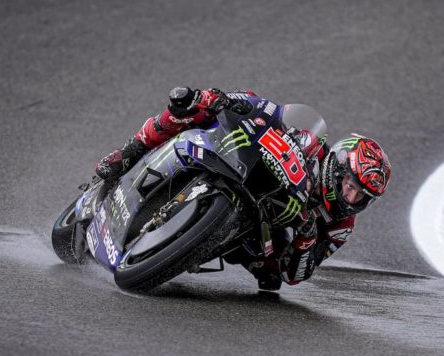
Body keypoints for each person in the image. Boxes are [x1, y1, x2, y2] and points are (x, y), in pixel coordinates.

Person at [96, 87, 392, 290]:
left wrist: (305, 240)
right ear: (338, 166)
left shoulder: (341, 225)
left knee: (271, 278)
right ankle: (129, 152)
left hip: (261, 231)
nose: (351, 198)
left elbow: (296, 276)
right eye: (351, 186)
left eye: (361, 196)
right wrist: (223, 100)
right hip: (243, 165)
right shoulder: (311, 144)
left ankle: (191, 245)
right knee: (192, 107)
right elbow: (268, 111)